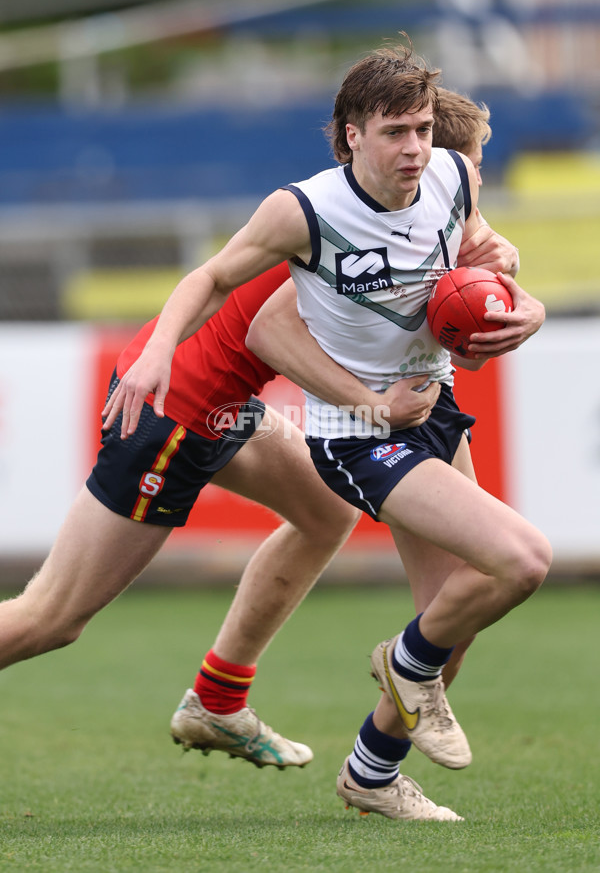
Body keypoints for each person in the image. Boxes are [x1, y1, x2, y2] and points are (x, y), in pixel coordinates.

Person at [0, 86, 521, 782]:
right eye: (474, 163)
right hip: (175, 406)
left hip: (226, 402)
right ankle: (307, 734)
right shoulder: (346, 226)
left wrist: (504, 282)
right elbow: (266, 325)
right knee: (52, 617)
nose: (475, 179)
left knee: (324, 511)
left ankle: (218, 699)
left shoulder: (415, 220)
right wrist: (372, 407)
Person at [103, 42, 551, 823]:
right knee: (518, 562)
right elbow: (213, 281)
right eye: (394, 132)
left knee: (455, 617)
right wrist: (153, 357)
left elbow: (478, 252)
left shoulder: (454, 175)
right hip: (356, 434)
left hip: (433, 406)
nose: (414, 148)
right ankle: (401, 667)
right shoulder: (304, 211)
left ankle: (371, 775)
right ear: (350, 134)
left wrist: (524, 301)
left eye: (421, 130)